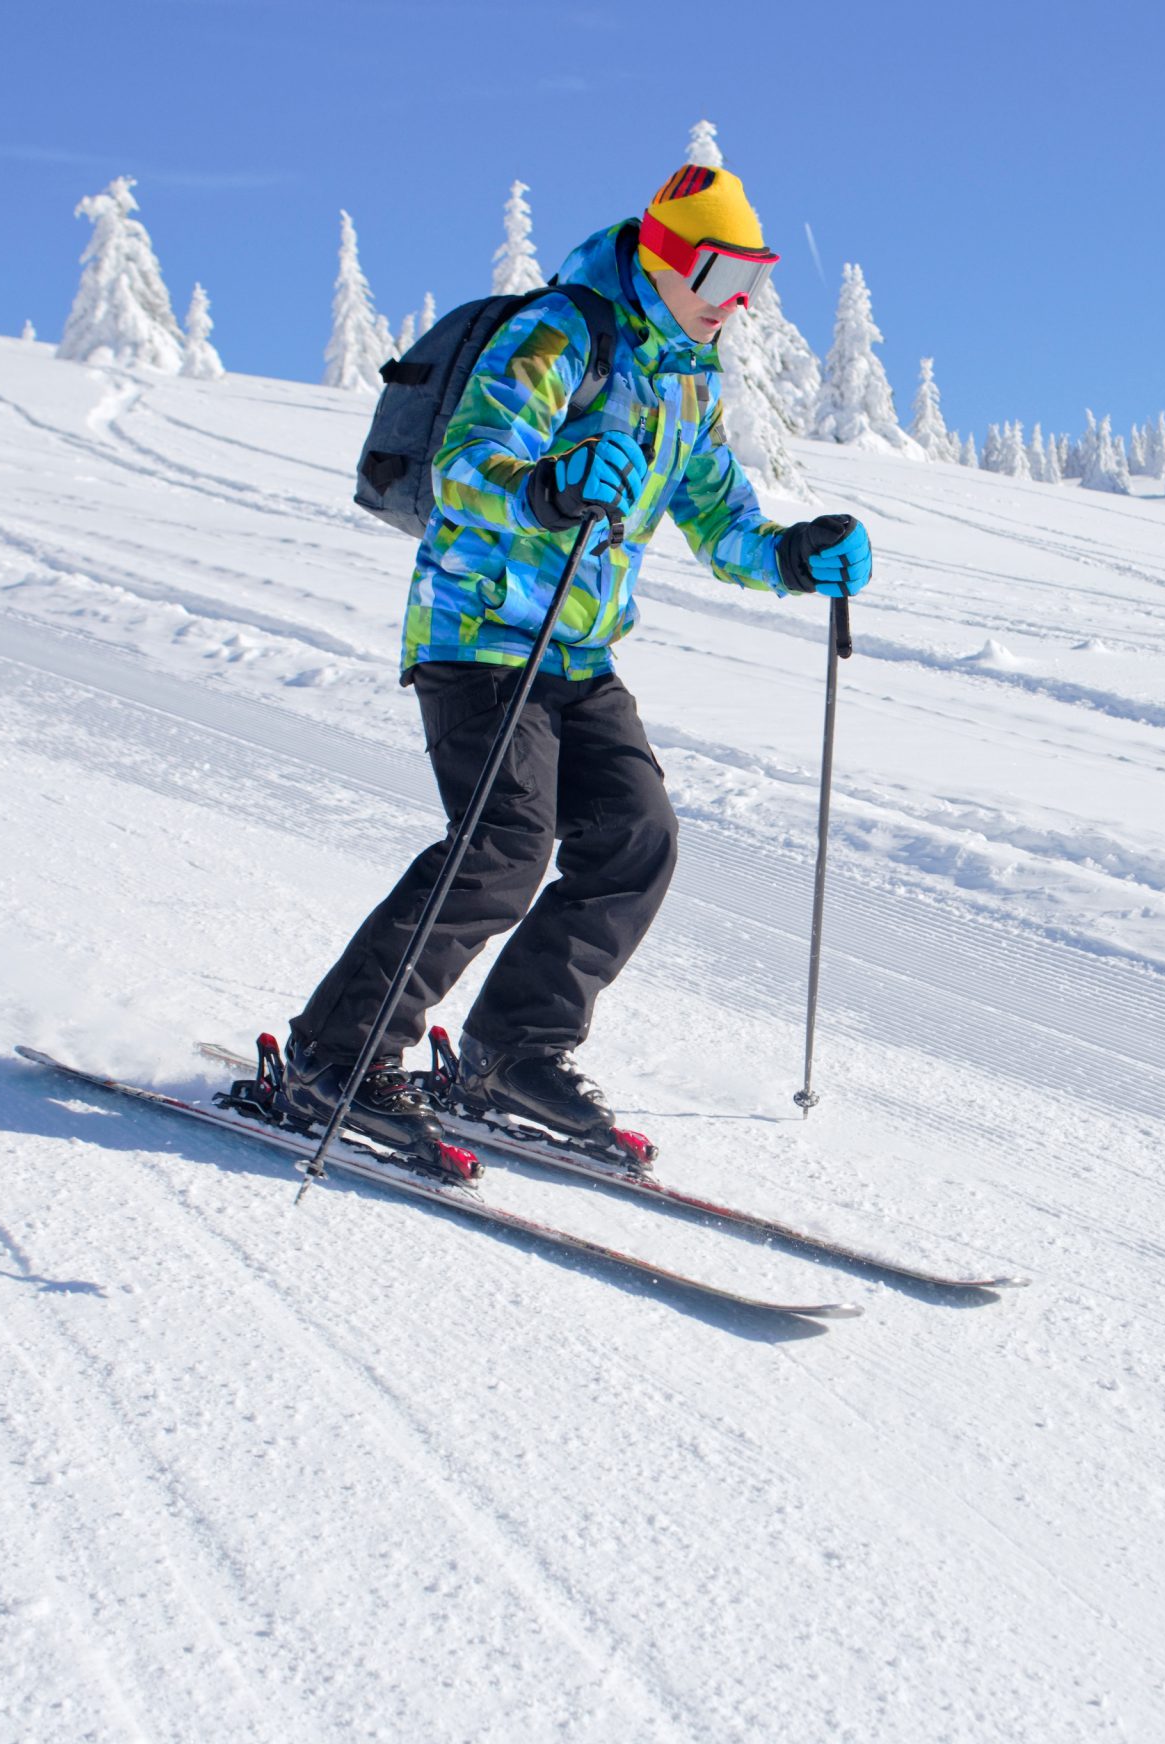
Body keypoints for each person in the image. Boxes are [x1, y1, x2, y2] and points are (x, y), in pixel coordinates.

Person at [281, 163, 872, 1171]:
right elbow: (471, 463)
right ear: (671, 259)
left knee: (636, 837)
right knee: (502, 847)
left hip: (577, 652)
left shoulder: (687, 377)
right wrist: (548, 486)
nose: (739, 300)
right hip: (477, 638)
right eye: (728, 274)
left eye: (754, 280)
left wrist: (788, 555)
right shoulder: (560, 334)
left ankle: (513, 1051)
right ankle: (333, 1058)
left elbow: (716, 514)